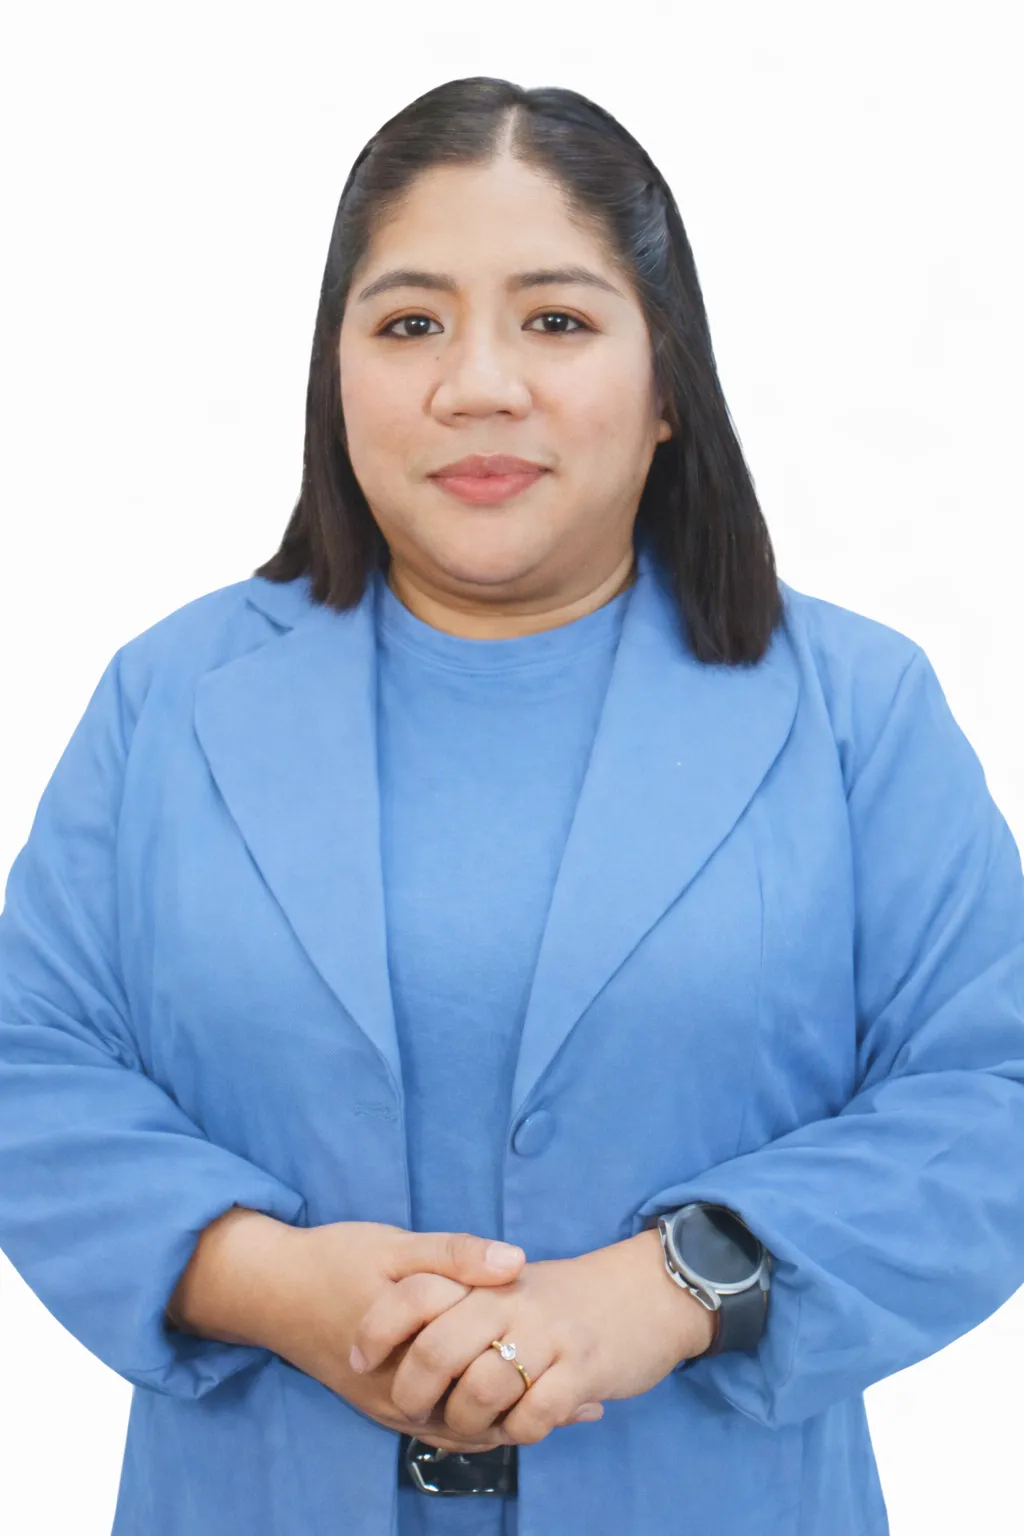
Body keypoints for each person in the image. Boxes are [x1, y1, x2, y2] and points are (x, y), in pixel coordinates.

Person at [1, 74, 1023, 1536]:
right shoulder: (168, 702)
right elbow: (28, 1063)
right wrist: (264, 1279)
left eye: (556, 319)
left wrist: (675, 1287)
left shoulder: (857, 711)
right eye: (410, 322)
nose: (478, 383)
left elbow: (993, 1095)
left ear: (669, 384)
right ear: (335, 372)